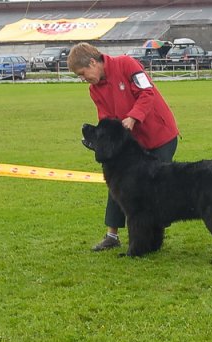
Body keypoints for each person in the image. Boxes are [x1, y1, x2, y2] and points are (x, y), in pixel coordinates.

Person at [68, 42, 180, 251]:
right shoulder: (94, 90)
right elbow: (106, 120)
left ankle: (152, 237)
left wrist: (133, 117)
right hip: (131, 143)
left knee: (156, 187)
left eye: (82, 73)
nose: (83, 79)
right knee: (118, 182)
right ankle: (112, 235)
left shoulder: (127, 64)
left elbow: (147, 93)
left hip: (159, 136)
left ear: (93, 62)